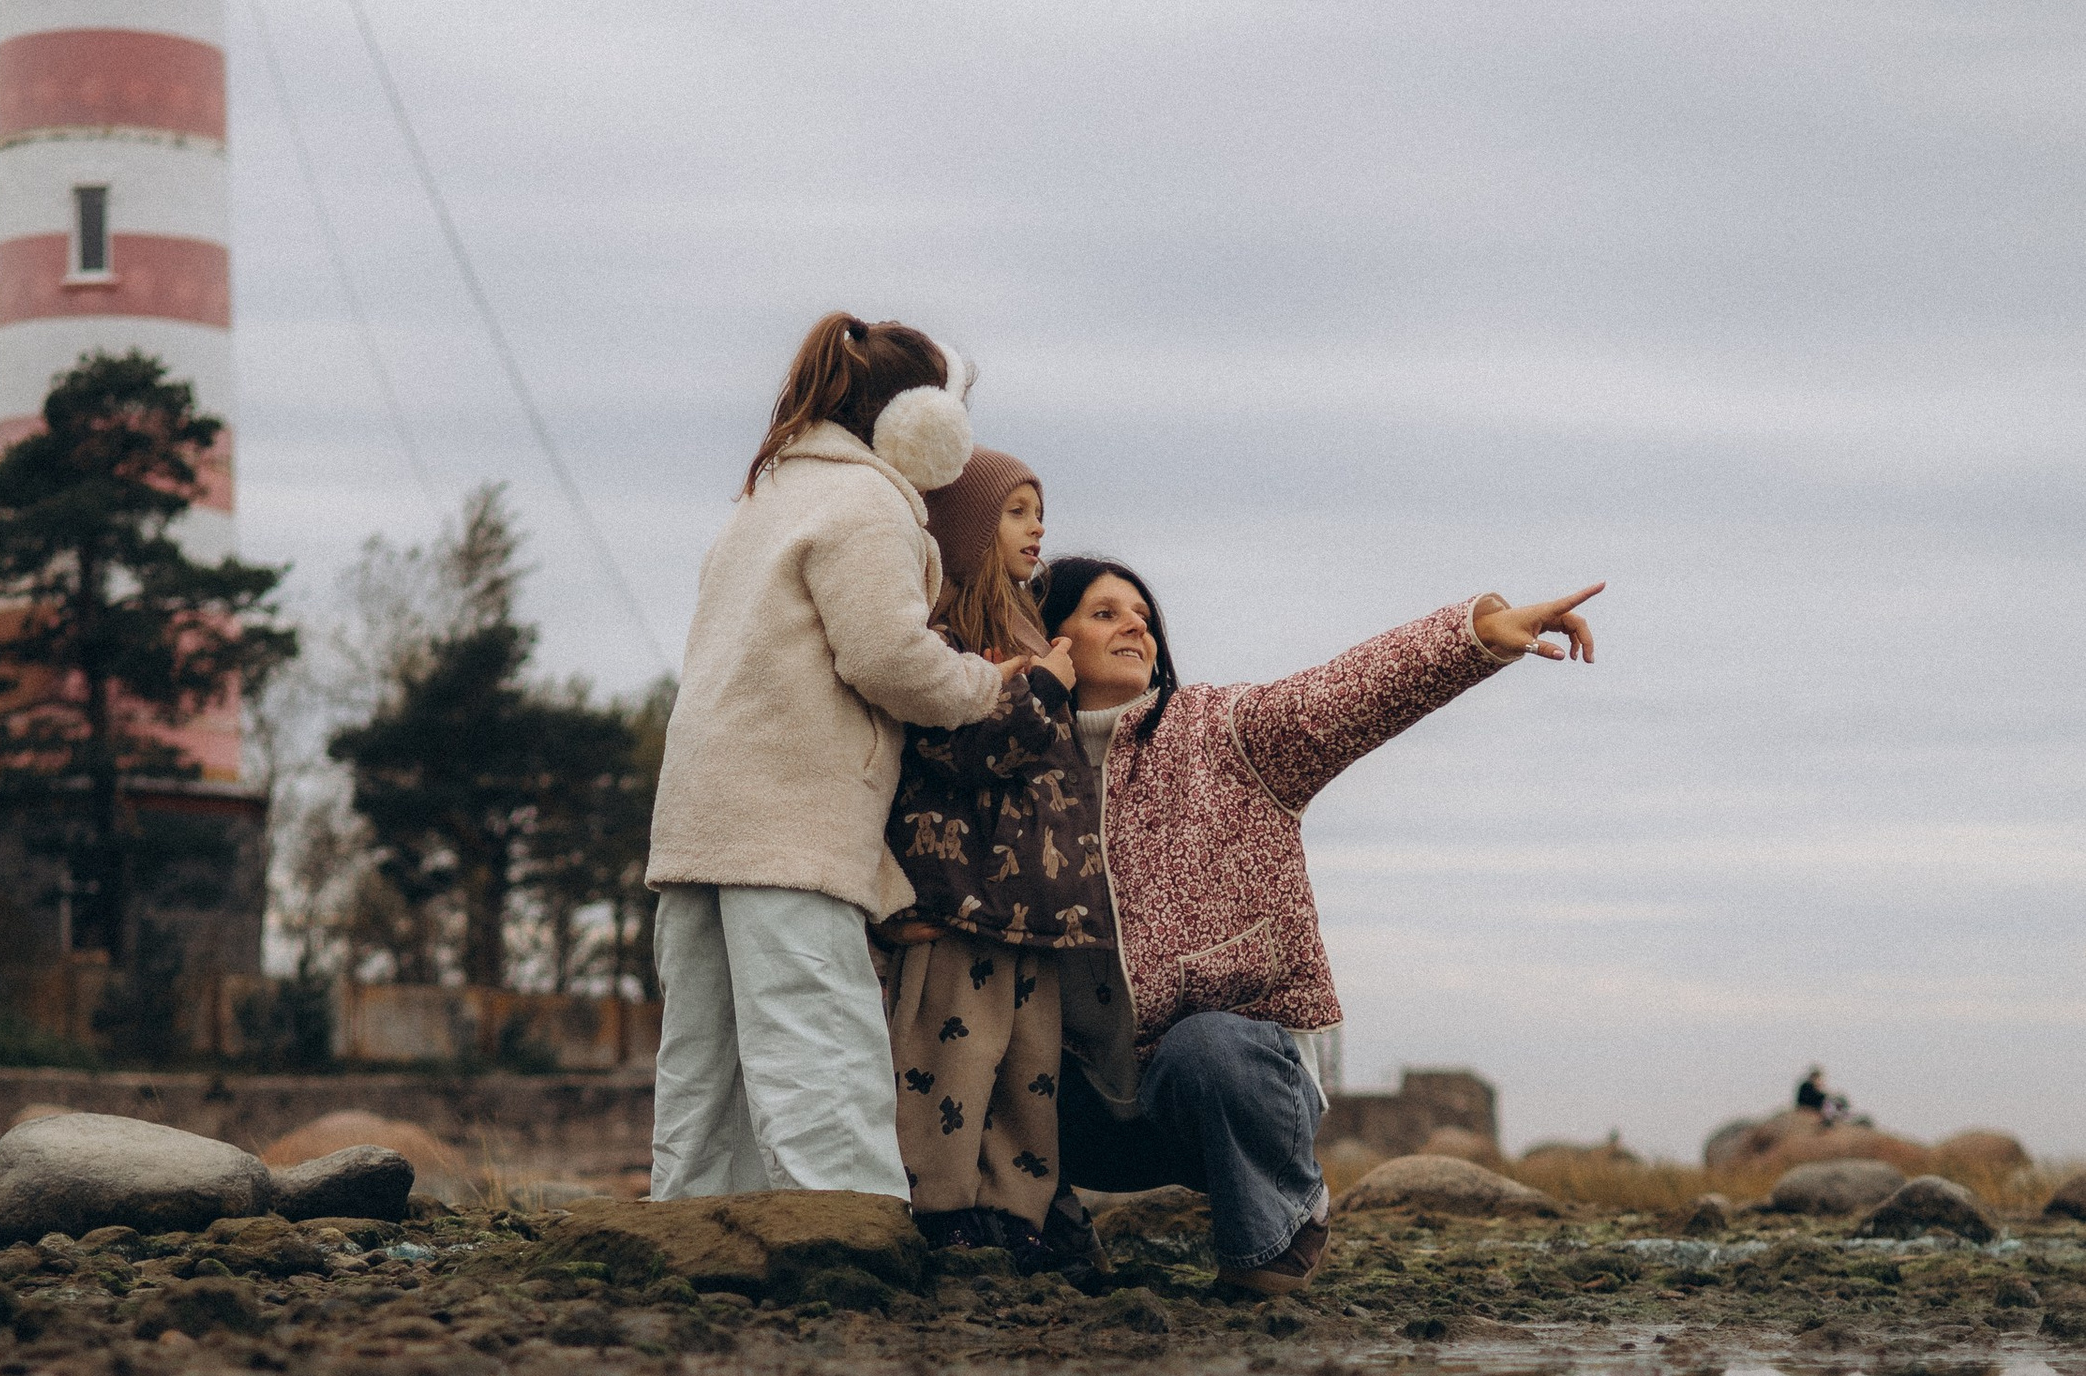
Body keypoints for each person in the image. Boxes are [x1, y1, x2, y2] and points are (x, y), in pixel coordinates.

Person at [1032, 554, 1602, 1295]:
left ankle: (1276, 1235)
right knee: (973, 1038)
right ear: (1047, 638)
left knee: (1209, 1048)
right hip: (1075, 1106)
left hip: (1215, 1090)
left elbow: (1346, 694)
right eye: (1105, 613)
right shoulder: (1009, 763)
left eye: (1144, 616)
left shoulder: (1223, 735)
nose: (1136, 626)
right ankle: (1046, 1239)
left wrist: (1477, 634)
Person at [644, 315, 1013, 1200]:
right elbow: (886, 658)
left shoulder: (765, 499)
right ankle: (848, 1233)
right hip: (789, 824)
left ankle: (691, 1232)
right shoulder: (867, 503)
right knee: (820, 1045)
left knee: (705, 1064)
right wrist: (985, 686)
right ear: (921, 422)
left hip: (698, 819)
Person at [874, 444, 1108, 1257]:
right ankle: (940, 1210)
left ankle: (1019, 1215)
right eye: (1016, 512)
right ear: (971, 525)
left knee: (1028, 1076)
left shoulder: (1029, 632)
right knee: (950, 1063)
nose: (1037, 528)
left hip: (1034, 909)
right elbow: (961, 750)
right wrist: (1042, 687)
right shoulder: (939, 639)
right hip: (959, 902)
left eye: (1040, 512)